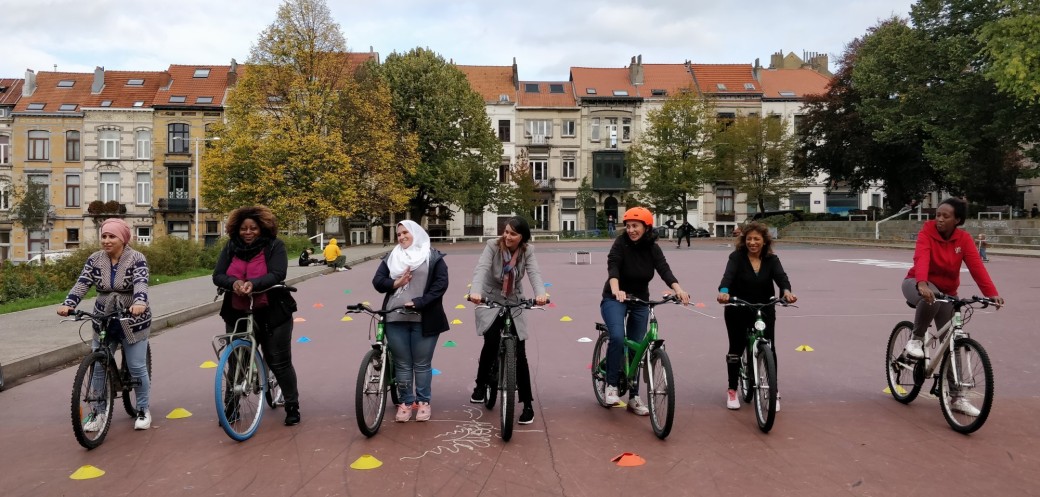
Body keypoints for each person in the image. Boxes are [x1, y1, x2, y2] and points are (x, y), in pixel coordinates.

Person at [901, 198, 1003, 418]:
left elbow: (976, 267)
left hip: (947, 292)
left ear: (957, 220)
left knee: (952, 342)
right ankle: (916, 339)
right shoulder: (927, 232)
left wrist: (991, 294)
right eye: (938, 214)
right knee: (931, 298)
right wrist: (921, 283)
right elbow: (922, 257)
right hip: (916, 283)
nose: (939, 219)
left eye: (945, 216)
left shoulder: (963, 239)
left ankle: (957, 397)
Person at [58, 218, 154, 430]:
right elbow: (82, 284)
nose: (107, 240)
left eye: (112, 236)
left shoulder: (137, 258)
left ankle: (142, 409)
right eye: (104, 236)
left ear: (123, 239)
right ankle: (98, 413)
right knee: (98, 367)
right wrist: (68, 304)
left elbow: (140, 282)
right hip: (103, 316)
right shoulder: (95, 259)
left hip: (132, 318)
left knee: (137, 366)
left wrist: (139, 302)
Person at [212, 205, 302, 426]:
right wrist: (234, 283)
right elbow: (218, 275)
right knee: (236, 361)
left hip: (273, 312)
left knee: (278, 360)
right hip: (237, 311)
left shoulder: (274, 246)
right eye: (244, 228)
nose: (248, 232)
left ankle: (292, 405)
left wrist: (254, 284)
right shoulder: (231, 247)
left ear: (262, 228)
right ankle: (231, 408)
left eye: (253, 228)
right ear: (237, 229)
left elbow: (278, 273)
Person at [601, 207, 690, 415]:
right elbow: (613, 267)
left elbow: (664, 269)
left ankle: (633, 397)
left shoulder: (653, 248)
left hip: (640, 299)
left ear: (646, 227)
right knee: (617, 336)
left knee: (637, 347)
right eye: (628, 226)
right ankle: (611, 385)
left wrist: (679, 290)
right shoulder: (620, 244)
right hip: (615, 298)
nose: (631, 230)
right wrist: (616, 290)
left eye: (635, 226)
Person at [468, 217, 548, 425]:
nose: (507, 236)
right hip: (489, 297)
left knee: (520, 352)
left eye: (513, 233)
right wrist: (475, 291)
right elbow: (481, 269)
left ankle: (527, 405)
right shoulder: (492, 246)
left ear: (522, 237)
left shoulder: (527, 251)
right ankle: (480, 384)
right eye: (506, 231)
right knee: (492, 341)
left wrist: (541, 294)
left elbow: (534, 274)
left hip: (514, 298)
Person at [372, 220, 449, 422]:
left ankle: (423, 402)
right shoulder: (391, 257)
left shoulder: (432, 256)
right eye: (398, 234)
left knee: (422, 364)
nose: (402, 237)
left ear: (416, 233)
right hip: (394, 317)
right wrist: (396, 282)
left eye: (406, 232)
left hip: (424, 318)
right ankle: (406, 402)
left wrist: (420, 302)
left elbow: (441, 284)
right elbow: (378, 282)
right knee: (403, 364)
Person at [716, 221, 796, 411]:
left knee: (770, 346)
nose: (752, 242)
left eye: (756, 239)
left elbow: (782, 278)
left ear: (764, 241)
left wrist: (786, 292)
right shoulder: (736, 257)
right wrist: (724, 292)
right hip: (738, 306)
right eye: (749, 239)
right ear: (744, 241)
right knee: (736, 347)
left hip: (764, 307)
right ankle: (732, 390)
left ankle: (773, 390)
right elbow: (727, 277)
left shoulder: (772, 259)